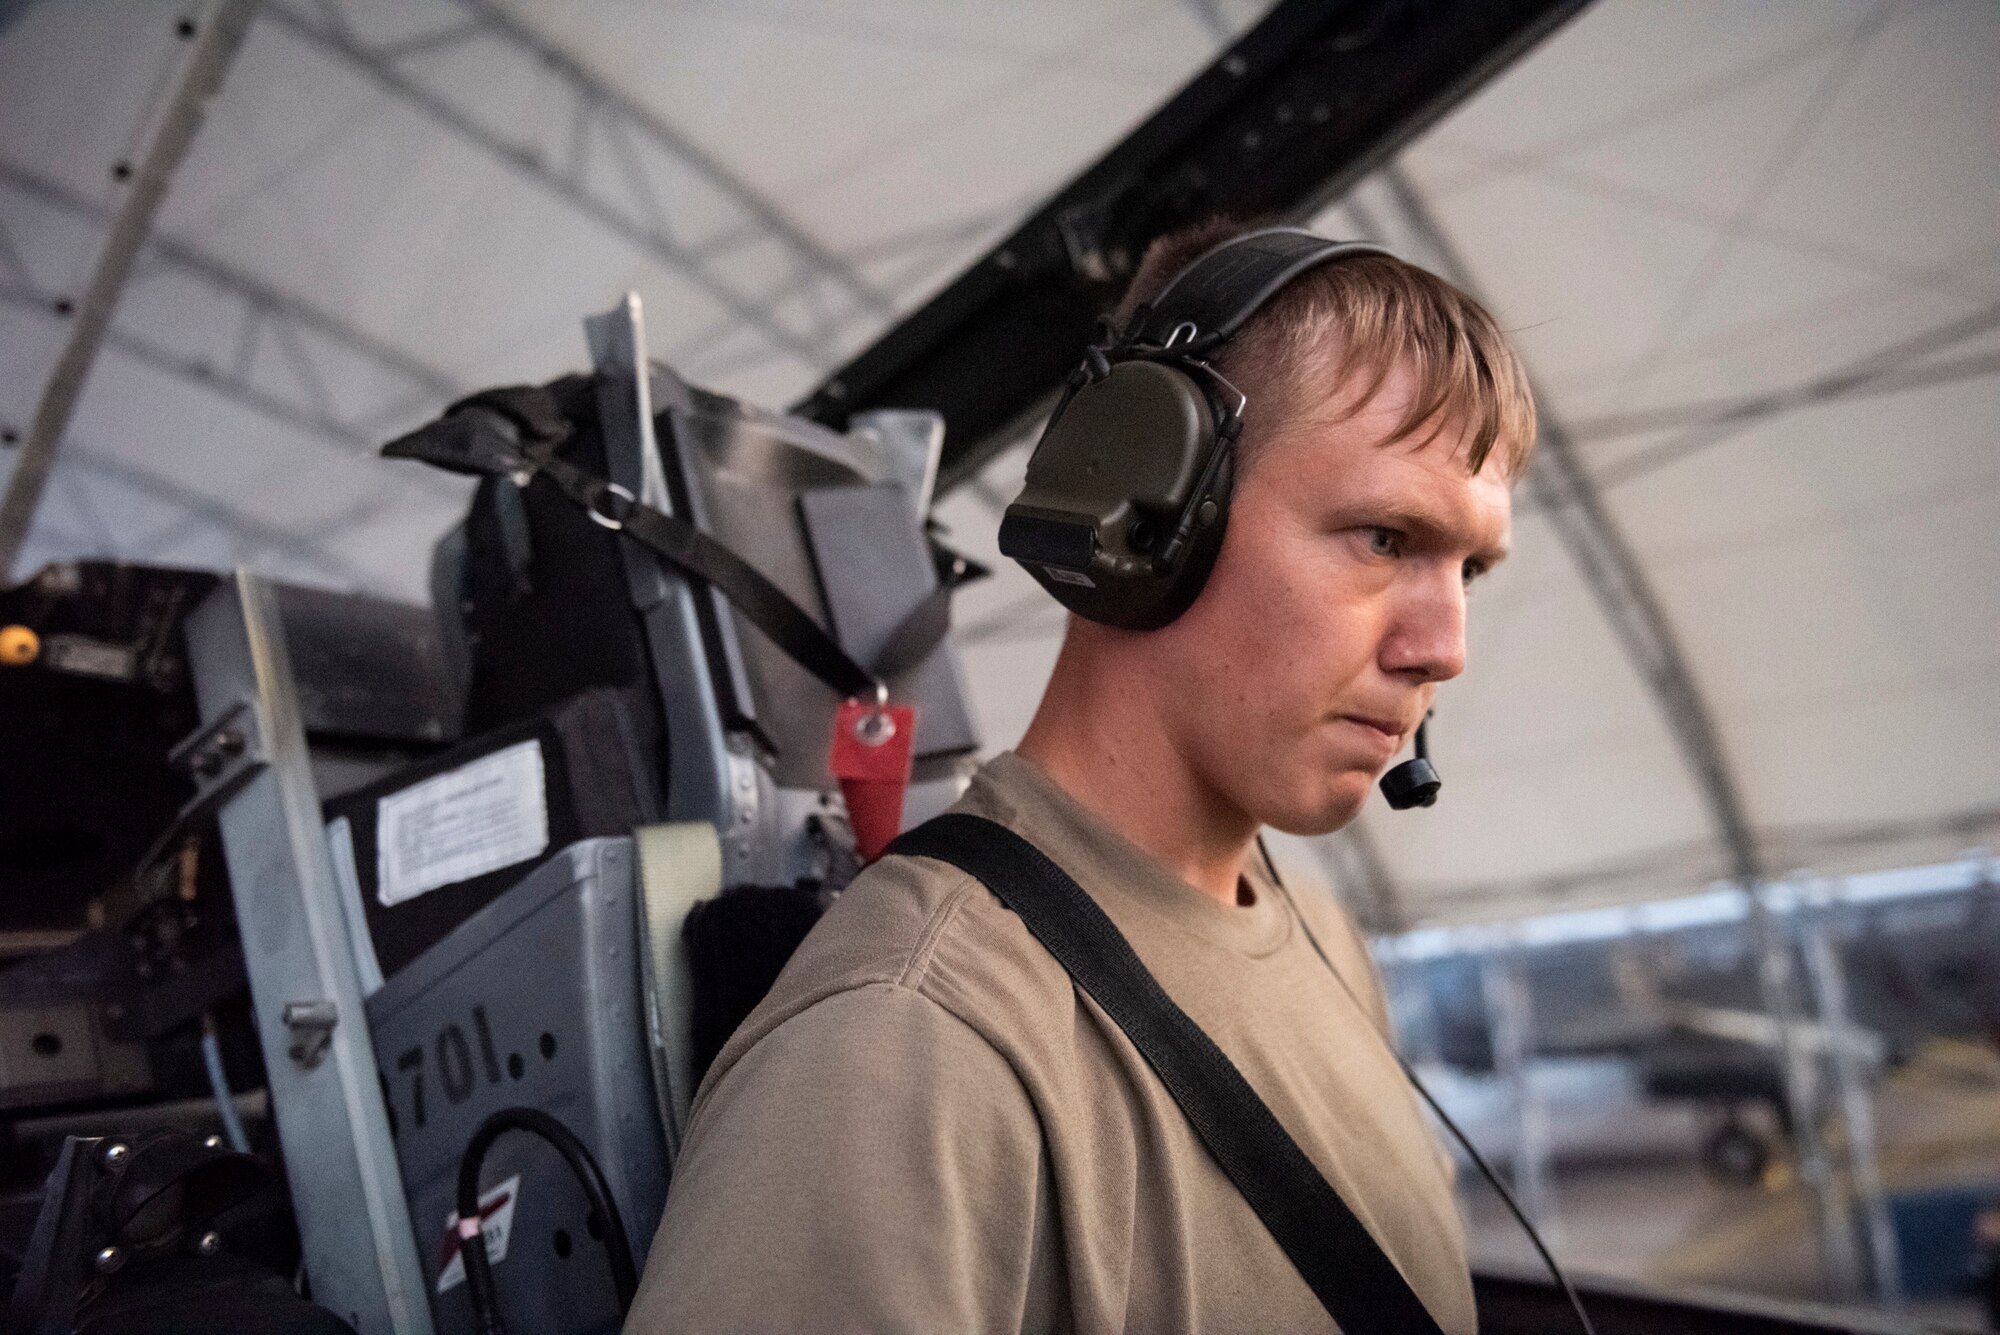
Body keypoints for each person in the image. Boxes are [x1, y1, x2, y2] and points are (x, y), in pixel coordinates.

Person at [625, 217, 1536, 1334]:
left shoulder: (1318, 932)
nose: (1443, 645)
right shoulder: (911, 1044)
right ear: (1146, 508)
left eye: (1470, 568)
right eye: (1385, 538)